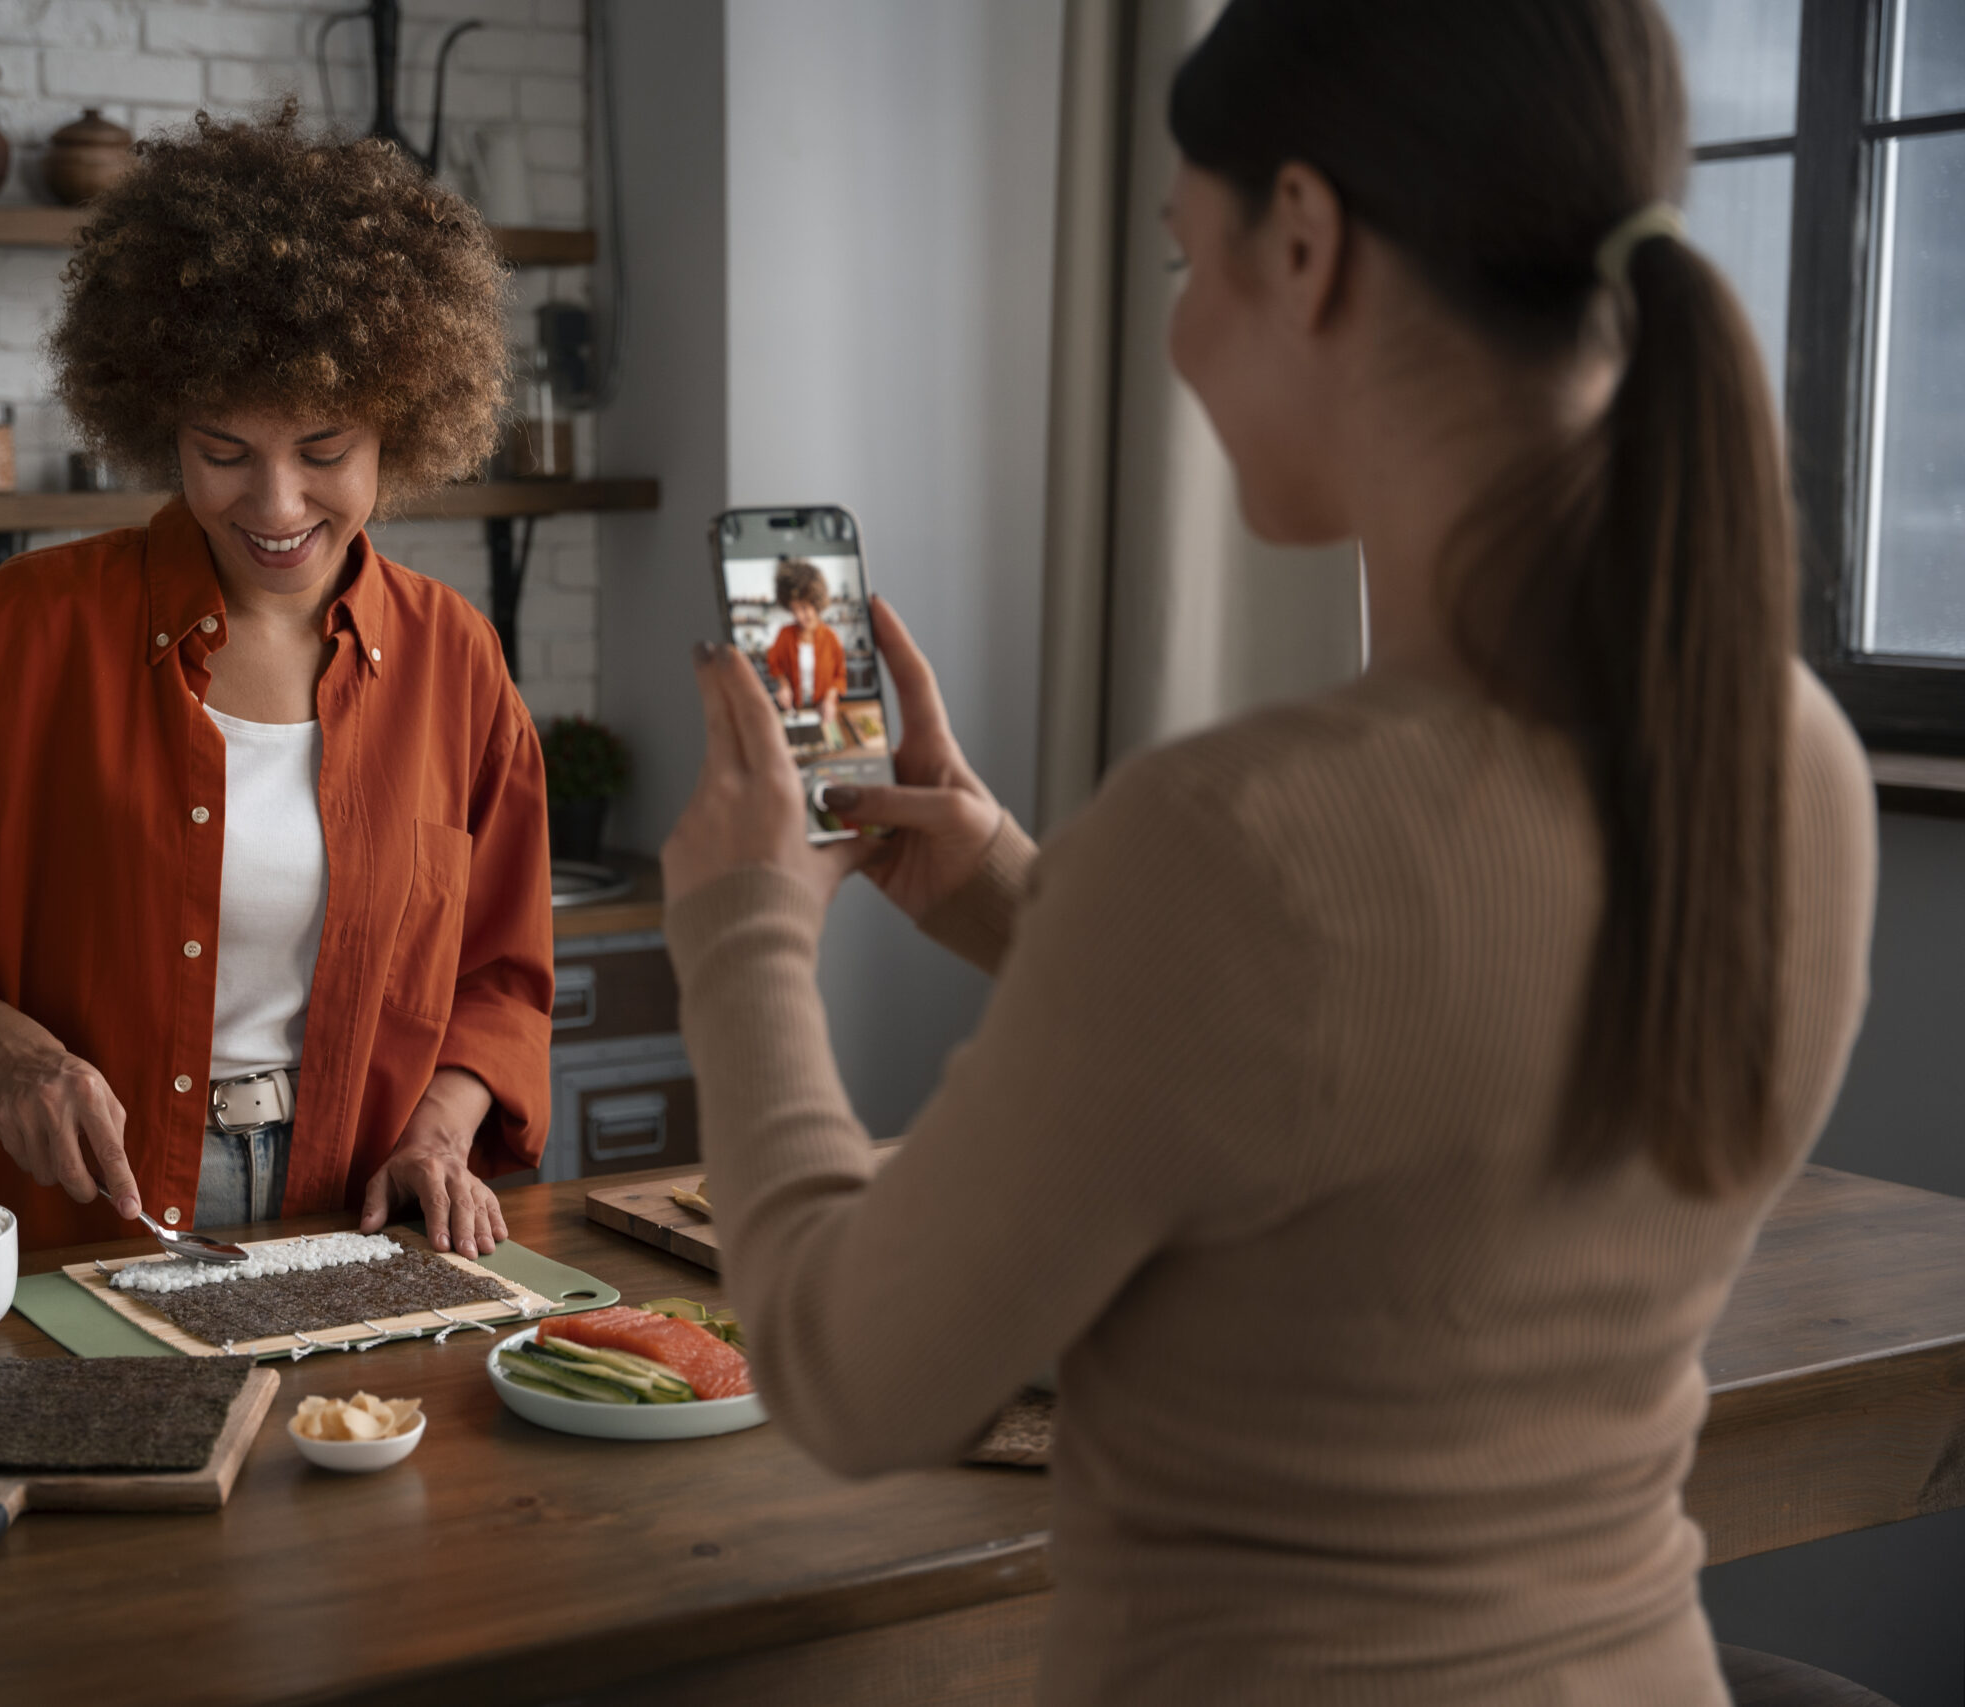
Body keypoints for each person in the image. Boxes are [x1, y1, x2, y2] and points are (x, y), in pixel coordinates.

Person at [658, 1, 1874, 1700]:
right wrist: (1019, 889)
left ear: (1302, 242)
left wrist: (741, 938)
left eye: (1185, 262)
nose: (1177, 336)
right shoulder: (1789, 754)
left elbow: (854, 1375)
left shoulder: (1243, 842)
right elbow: (1387, 1085)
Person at [0, 106, 552, 1258]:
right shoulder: (24, 631)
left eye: (324, 451)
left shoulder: (457, 658)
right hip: (86, 1217)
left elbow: (501, 976)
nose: (275, 507)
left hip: (360, 1214)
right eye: (222, 452)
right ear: (156, 423)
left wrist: (439, 1135)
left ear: (404, 423)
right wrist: (19, 1059)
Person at [762, 558, 844, 733]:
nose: (799, 616)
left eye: (804, 608)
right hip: (794, 712)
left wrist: (829, 700)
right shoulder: (784, 634)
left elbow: (839, 677)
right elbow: (774, 664)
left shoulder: (831, 638)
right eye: (794, 610)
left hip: (822, 712)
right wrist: (783, 685)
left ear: (816, 603)